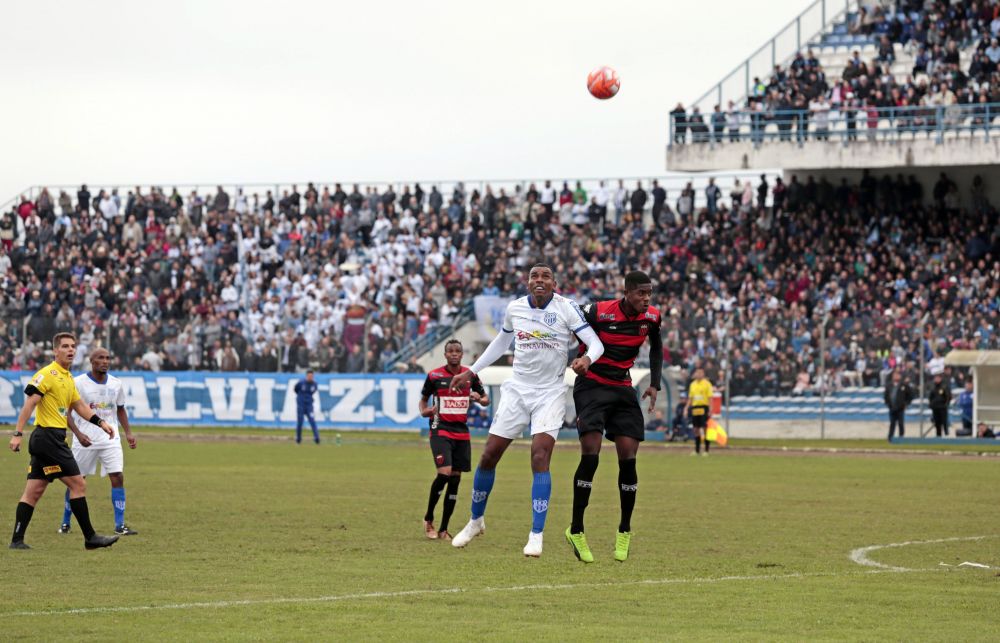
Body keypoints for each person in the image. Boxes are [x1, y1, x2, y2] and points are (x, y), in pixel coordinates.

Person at [447, 264, 604, 557]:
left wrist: (587, 360)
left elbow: (596, 343)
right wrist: (471, 371)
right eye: (535, 276)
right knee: (489, 455)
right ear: (528, 282)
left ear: (554, 282)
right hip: (517, 390)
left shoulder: (567, 308)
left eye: (545, 276)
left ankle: (536, 534)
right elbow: (500, 343)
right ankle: (475, 521)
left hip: (550, 393)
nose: (540, 280)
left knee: (540, 456)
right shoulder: (515, 308)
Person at [565, 270, 662, 563]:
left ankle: (624, 529)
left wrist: (654, 383)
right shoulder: (599, 311)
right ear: (627, 292)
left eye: (649, 294)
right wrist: (576, 357)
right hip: (592, 384)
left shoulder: (652, 317)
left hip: (622, 386)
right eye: (640, 293)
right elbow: (569, 318)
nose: (646, 299)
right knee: (591, 454)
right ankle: (576, 529)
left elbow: (657, 347)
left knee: (628, 458)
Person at [8, 332, 119, 550]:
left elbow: (79, 406)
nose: (71, 350)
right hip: (48, 437)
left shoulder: (68, 378)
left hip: (49, 439)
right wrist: (17, 433)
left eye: (73, 346)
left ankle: (16, 540)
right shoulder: (47, 374)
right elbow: (29, 404)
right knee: (78, 484)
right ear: (55, 350)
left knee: (34, 491)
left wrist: (101, 423)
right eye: (65, 346)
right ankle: (90, 538)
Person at [59, 348, 138, 536]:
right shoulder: (77, 383)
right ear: (91, 361)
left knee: (117, 476)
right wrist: (77, 434)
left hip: (110, 437)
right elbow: (66, 412)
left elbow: (120, 409)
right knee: (77, 481)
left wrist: (128, 433)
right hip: (84, 439)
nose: (105, 361)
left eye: (108, 358)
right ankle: (65, 522)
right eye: (101, 358)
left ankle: (120, 525)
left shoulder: (116, 384)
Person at [418, 339, 489, 541]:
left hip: (461, 432)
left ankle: (443, 529)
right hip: (440, 429)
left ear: (462, 354)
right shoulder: (434, 376)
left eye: (458, 351)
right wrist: (425, 411)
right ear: (445, 354)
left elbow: (486, 400)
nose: (455, 354)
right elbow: (423, 399)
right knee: (444, 473)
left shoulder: (470, 375)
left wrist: (477, 397)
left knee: (456, 479)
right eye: (451, 351)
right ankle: (429, 518)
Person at [684, 368, 713, 455]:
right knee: (696, 429)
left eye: (700, 373)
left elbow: (710, 398)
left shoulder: (707, 384)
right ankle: (697, 450)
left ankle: (706, 450)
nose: (699, 374)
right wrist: (686, 408)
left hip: (704, 407)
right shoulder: (692, 384)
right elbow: (690, 398)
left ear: (703, 374)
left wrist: (710, 409)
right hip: (695, 408)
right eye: (697, 373)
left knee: (705, 429)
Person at [884, 369, 914, 441]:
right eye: (894, 375)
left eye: (897, 375)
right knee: (892, 423)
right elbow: (886, 396)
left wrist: (906, 403)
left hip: (900, 408)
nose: (896, 376)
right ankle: (890, 438)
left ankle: (901, 437)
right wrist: (888, 403)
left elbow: (910, 395)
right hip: (892, 407)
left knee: (901, 423)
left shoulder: (904, 385)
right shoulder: (889, 385)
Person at [294, 370, 320, 444]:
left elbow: (313, 392)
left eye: (311, 376)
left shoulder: (314, 384)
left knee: (312, 421)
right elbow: (296, 389)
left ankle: (317, 438)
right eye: (309, 376)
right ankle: (298, 439)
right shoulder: (301, 383)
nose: (310, 377)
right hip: (301, 405)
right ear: (306, 376)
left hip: (309, 406)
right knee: (300, 422)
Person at [927, 372, 951, 437]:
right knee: (937, 423)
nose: (936, 379)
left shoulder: (944, 386)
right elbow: (930, 397)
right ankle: (938, 435)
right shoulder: (933, 387)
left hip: (942, 407)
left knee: (944, 422)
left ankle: (946, 435)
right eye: (935, 378)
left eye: (938, 378)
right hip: (935, 408)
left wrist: (946, 404)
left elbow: (948, 396)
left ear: (940, 378)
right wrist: (931, 404)